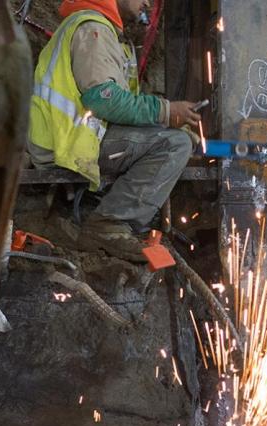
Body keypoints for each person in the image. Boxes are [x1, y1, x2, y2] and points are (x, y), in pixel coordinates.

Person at [28, 0, 201, 262]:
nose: (147, 3)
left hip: (73, 138)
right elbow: (102, 99)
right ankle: (108, 225)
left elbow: (119, 110)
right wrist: (166, 112)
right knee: (174, 145)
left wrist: (160, 125)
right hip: (66, 143)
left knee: (170, 139)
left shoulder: (102, 30)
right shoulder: (93, 30)